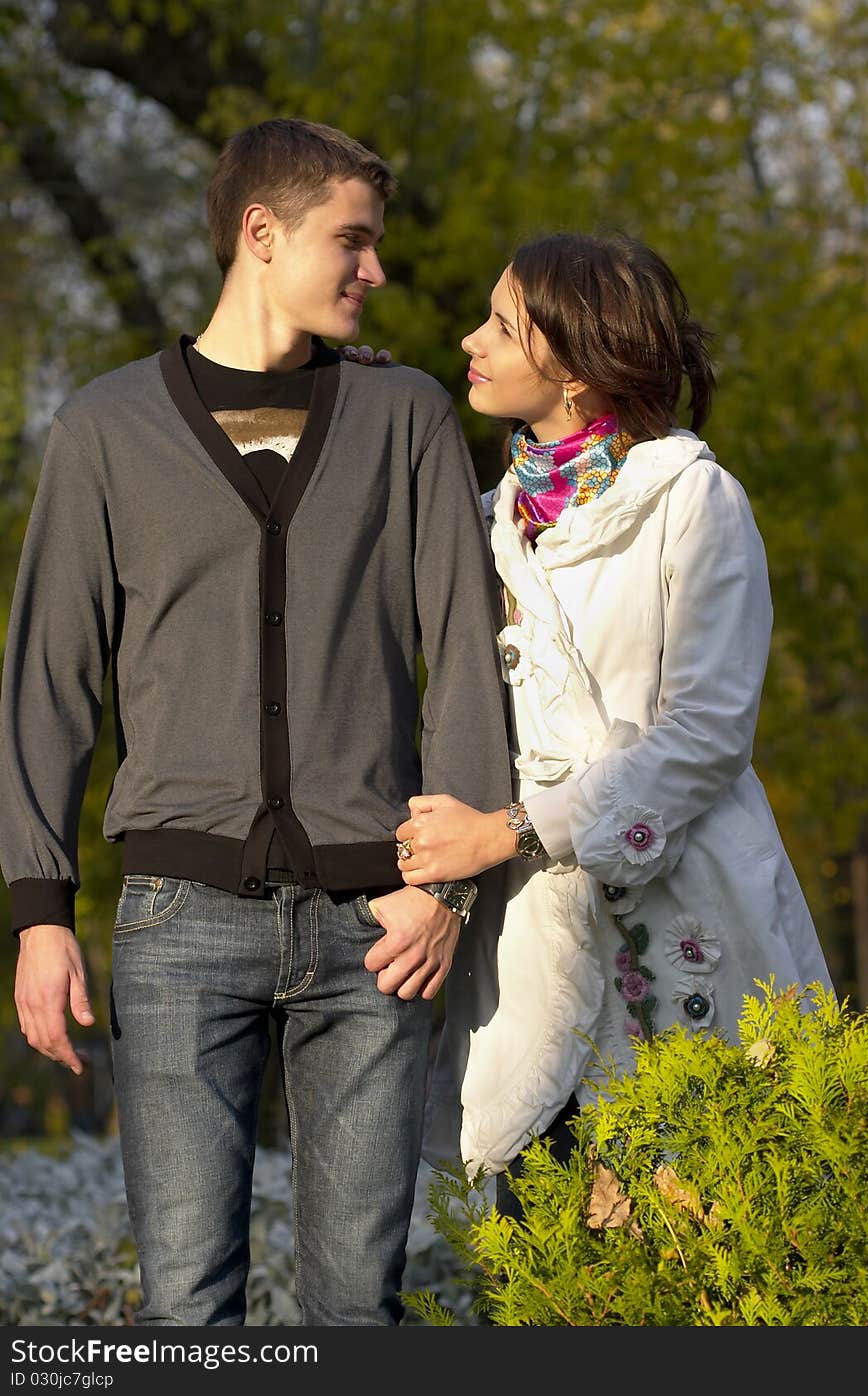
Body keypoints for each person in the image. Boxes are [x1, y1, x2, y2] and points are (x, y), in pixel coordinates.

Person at [0, 118, 512, 1324]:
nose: (375, 272)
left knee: (356, 1309)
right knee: (186, 1310)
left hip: (375, 927)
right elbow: (47, 681)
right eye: (353, 242)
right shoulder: (104, 432)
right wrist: (35, 911)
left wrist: (442, 891)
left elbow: (467, 662)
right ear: (261, 234)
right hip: (179, 921)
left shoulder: (408, 422)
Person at [391, 231, 835, 1199]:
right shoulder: (480, 526)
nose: (471, 340)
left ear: (582, 371)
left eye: (503, 326)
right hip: (533, 946)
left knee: (710, 1255)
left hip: (692, 923)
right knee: (544, 1258)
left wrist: (507, 831)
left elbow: (707, 733)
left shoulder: (694, 501)